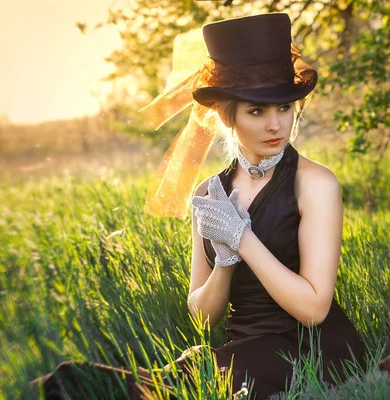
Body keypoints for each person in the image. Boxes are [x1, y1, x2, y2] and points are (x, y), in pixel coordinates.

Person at [30, 13, 366, 400]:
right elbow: (203, 317)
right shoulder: (211, 193)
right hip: (239, 353)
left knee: (161, 387)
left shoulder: (315, 183)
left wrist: (243, 241)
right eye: (256, 111)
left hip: (312, 352)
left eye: (284, 108)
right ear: (228, 116)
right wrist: (223, 262)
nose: (276, 124)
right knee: (71, 380)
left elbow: (313, 310)